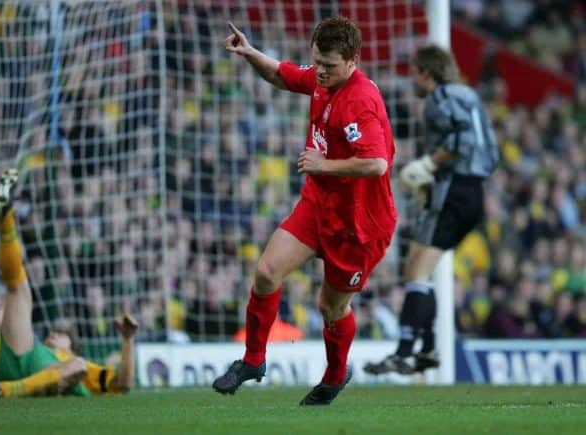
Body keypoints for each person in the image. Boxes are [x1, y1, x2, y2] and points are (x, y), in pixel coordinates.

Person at [212, 17, 397, 405]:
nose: (321, 72)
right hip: (319, 205)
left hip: (358, 224)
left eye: (329, 65)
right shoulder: (323, 78)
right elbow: (284, 75)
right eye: (318, 62)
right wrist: (249, 53)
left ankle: (333, 377)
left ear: (353, 61)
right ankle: (253, 360)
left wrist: (323, 165)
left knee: (330, 307)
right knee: (266, 272)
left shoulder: (359, 101)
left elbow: (377, 163)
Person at [363, 45, 499, 376]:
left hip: (455, 189)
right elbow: (489, 150)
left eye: (414, 72)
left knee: (418, 272)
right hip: (472, 190)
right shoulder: (469, 95)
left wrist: (428, 163)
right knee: (417, 268)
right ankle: (427, 349)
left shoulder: (439, 98)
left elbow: (460, 140)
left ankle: (405, 352)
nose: (412, 79)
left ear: (427, 73)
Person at [0, 168, 139, 399]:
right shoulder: (37, 348)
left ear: (71, 345)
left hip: (29, 377)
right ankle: (6, 219)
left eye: (61, 333)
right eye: (56, 332)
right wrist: (5, 313)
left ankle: (3, 392)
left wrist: (127, 341)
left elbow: (123, 385)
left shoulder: (83, 366)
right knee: (17, 285)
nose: (54, 334)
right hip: (20, 355)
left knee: (76, 367)